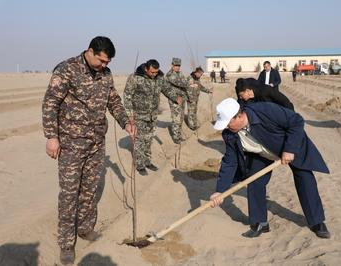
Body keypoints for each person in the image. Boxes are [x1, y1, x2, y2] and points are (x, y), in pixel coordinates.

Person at [42, 36, 136, 265]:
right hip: (71, 143)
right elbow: (50, 103)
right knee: (69, 193)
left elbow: (113, 100)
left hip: (96, 142)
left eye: (107, 62)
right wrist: (52, 137)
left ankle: (85, 228)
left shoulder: (105, 74)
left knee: (90, 188)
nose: (104, 65)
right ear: (90, 51)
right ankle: (66, 243)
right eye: (101, 61)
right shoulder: (67, 69)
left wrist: (125, 122)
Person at [209, 98, 330, 239]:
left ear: (239, 115)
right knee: (255, 181)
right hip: (261, 153)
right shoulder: (229, 133)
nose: (226, 127)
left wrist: (290, 149)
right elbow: (230, 161)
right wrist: (220, 191)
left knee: (304, 178)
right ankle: (259, 223)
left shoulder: (265, 110)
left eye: (228, 123)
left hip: (290, 145)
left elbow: (296, 121)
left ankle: (317, 222)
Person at [124, 59, 183, 175]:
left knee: (149, 139)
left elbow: (166, 89)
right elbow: (127, 96)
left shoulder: (159, 78)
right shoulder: (135, 77)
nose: (154, 74)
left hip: (152, 115)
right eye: (152, 72)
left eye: (156, 72)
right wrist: (129, 115)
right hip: (139, 115)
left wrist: (175, 98)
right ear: (146, 69)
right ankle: (140, 165)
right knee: (139, 140)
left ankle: (147, 161)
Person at [165, 57, 197, 144]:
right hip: (175, 100)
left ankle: (178, 136)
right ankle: (176, 138)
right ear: (172, 65)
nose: (177, 67)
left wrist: (188, 96)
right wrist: (190, 84)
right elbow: (179, 83)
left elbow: (183, 81)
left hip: (182, 99)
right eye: (175, 65)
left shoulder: (180, 73)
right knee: (176, 119)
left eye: (178, 65)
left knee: (181, 117)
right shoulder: (170, 74)